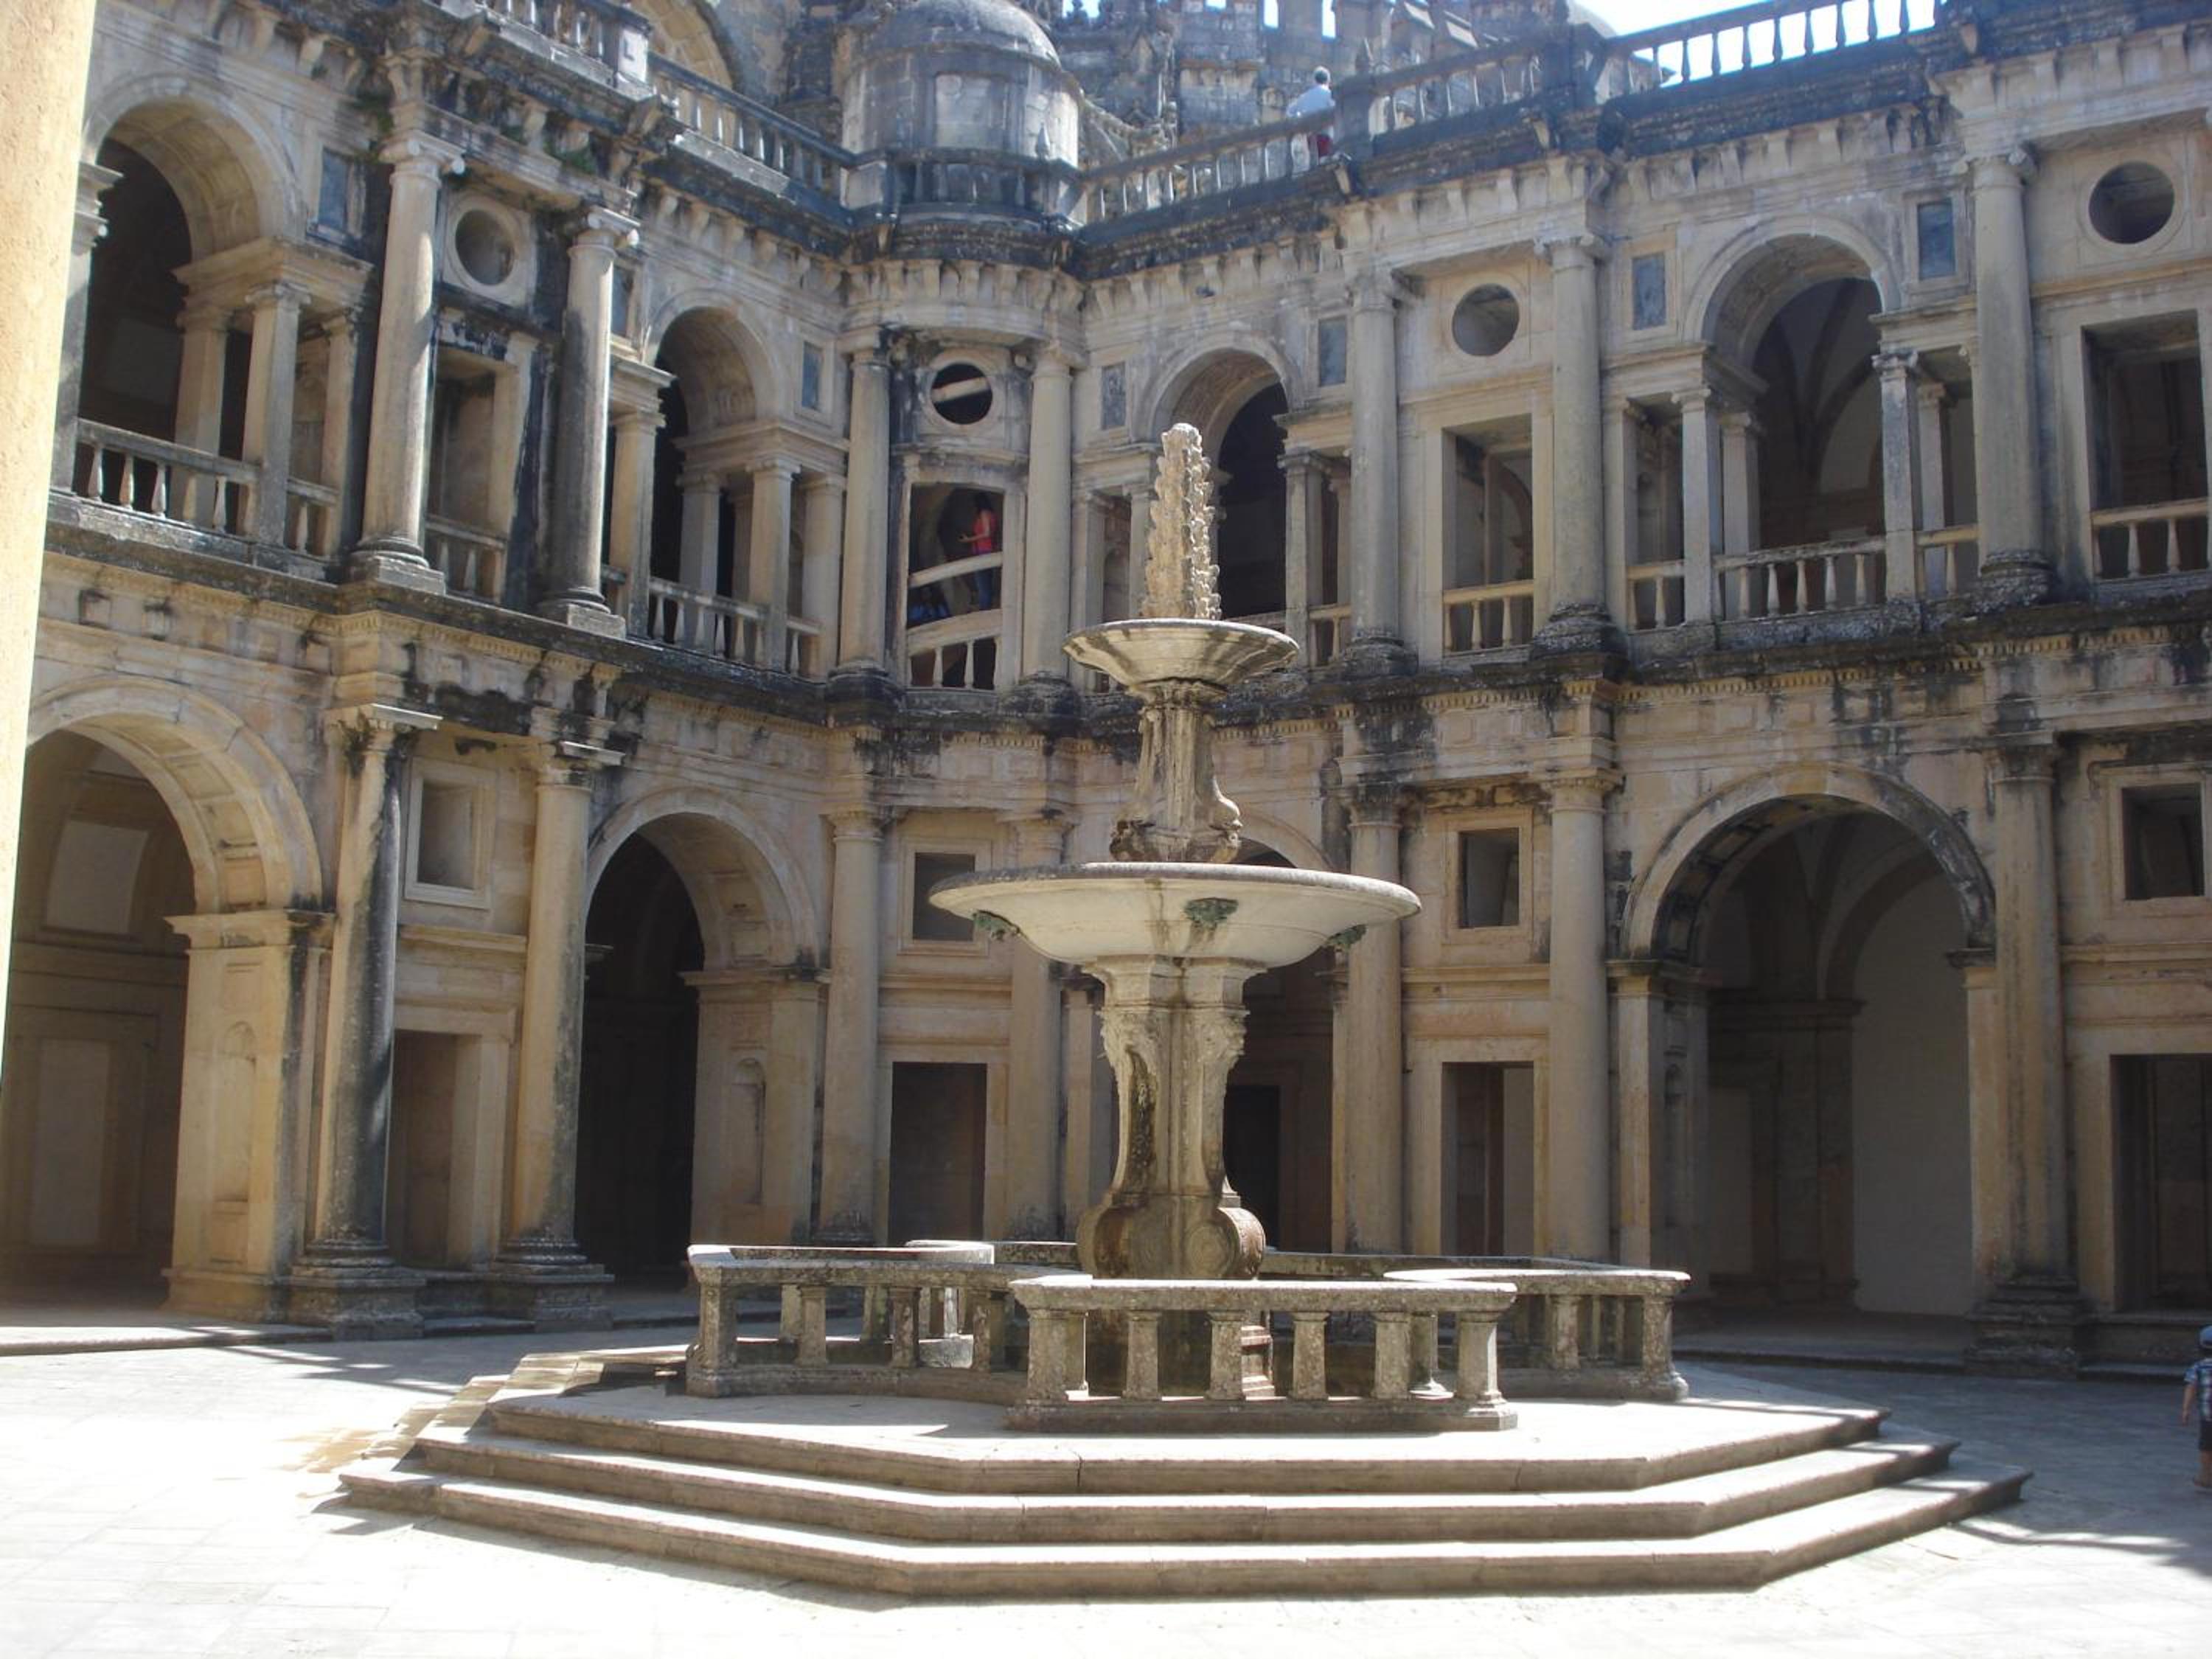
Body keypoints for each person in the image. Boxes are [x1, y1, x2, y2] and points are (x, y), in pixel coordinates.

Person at [2182, 1326, 2212, 1492]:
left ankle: (2206, 1476)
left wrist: (2186, 1410)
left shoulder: (2198, 1367)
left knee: (2206, 1447)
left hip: (2208, 1416)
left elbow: (2191, 1388)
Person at [959, 493, 1000, 609]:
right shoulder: (992, 515)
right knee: (987, 582)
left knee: (982, 583)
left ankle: (984, 609)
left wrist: (969, 540)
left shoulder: (984, 514)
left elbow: (987, 533)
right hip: (989, 550)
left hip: (983, 551)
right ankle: (987, 608)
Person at [1287, 66, 1335, 158]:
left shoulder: (1305, 97)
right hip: (1325, 135)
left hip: (1310, 138)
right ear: (1328, 81)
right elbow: (1336, 110)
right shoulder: (1328, 94)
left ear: (1315, 80)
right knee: (1327, 161)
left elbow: (1290, 111)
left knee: (1315, 161)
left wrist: (1300, 119)